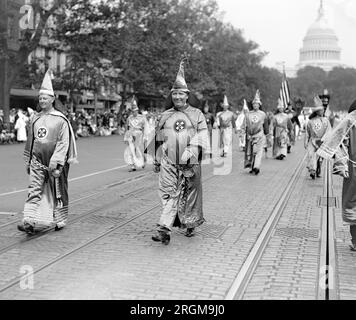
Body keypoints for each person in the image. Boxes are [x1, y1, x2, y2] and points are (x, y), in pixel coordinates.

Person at [149, 60, 209, 245]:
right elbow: (158, 137)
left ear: (187, 95)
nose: (177, 96)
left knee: (189, 194)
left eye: (181, 93)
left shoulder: (197, 114)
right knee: (167, 193)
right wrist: (157, 160)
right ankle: (164, 229)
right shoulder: (165, 115)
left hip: (189, 162)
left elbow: (203, 134)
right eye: (174, 93)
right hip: (169, 161)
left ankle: (189, 223)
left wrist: (191, 151)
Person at [17, 69, 78, 234]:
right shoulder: (35, 118)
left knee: (58, 191)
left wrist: (56, 161)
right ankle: (29, 220)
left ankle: (60, 218)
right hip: (37, 161)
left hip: (56, 164)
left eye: (45, 98)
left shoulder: (61, 119)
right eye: (40, 98)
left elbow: (64, 142)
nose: (42, 100)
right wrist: (29, 160)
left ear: (52, 99)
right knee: (34, 189)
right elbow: (31, 141)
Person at [317, 99, 356, 250]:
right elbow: (339, 142)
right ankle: (355, 239)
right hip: (353, 170)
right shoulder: (351, 120)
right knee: (353, 205)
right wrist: (342, 163)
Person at [304, 95, 331, 180]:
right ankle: (313, 171)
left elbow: (328, 131)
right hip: (312, 141)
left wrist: (323, 139)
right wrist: (306, 141)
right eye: (321, 110)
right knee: (311, 155)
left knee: (320, 158)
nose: (322, 111)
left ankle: (317, 169)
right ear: (317, 111)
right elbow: (307, 133)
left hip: (322, 142)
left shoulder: (326, 121)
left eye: (323, 110)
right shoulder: (310, 121)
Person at [243, 90, 269, 175]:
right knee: (251, 152)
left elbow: (266, 125)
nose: (255, 105)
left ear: (259, 105)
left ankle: (256, 167)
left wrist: (267, 134)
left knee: (258, 151)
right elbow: (245, 124)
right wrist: (243, 132)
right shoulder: (248, 114)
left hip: (259, 135)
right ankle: (252, 165)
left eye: (257, 104)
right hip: (250, 136)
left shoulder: (263, 114)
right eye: (254, 104)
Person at [124, 99, 146, 172]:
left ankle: (141, 162)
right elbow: (127, 128)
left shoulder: (142, 118)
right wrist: (126, 137)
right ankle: (133, 165)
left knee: (138, 149)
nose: (134, 112)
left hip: (139, 134)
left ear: (137, 110)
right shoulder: (129, 118)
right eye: (132, 111)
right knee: (131, 150)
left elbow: (145, 128)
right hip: (131, 135)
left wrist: (145, 136)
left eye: (135, 111)